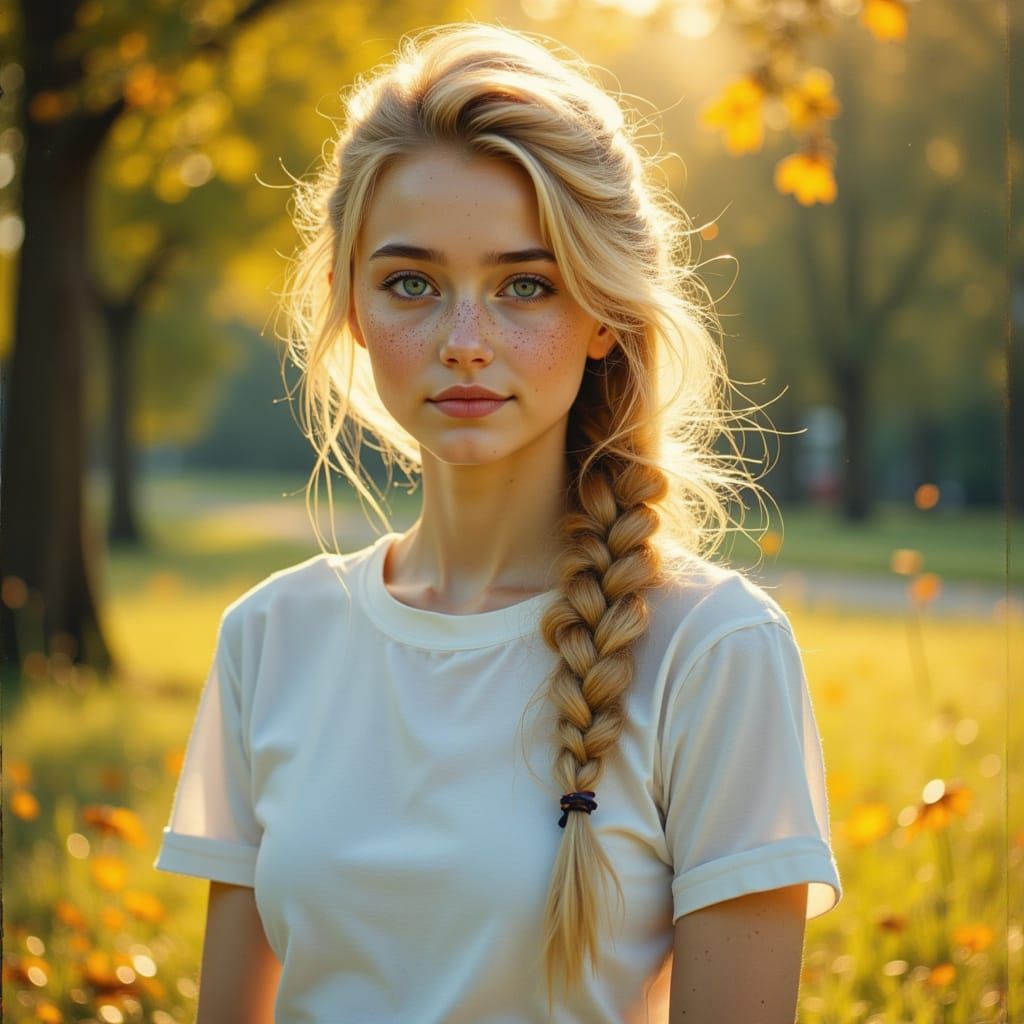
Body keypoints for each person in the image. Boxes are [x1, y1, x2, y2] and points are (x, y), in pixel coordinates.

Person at [155, 21, 842, 1023]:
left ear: (603, 311)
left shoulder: (715, 651)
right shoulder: (268, 636)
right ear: (352, 305)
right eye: (412, 284)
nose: (465, 341)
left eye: (526, 284)